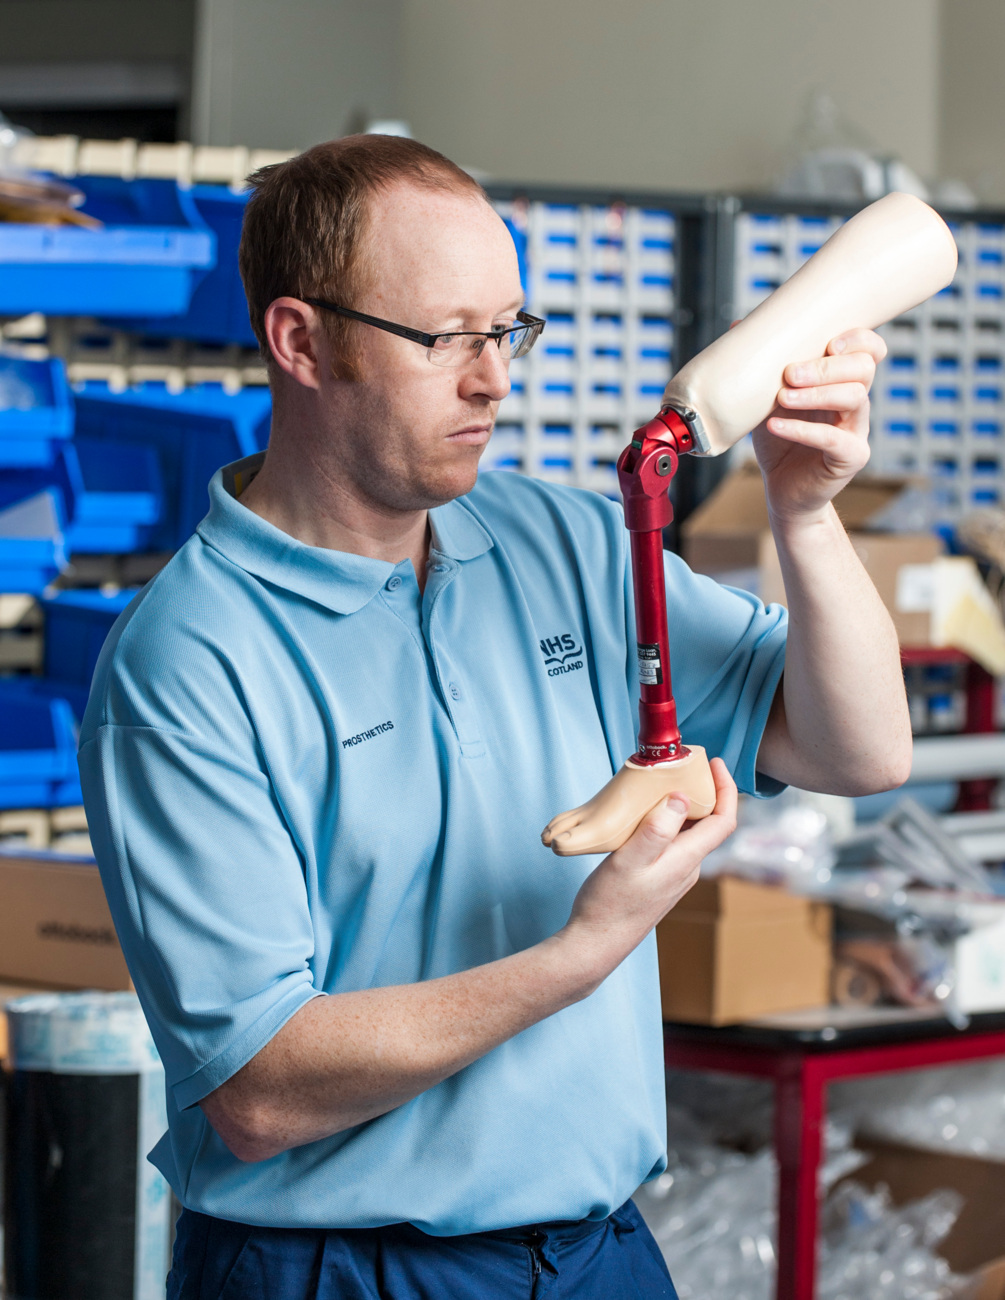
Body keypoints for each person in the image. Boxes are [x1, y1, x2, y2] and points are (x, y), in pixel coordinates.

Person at [79, 134, 912, 1300]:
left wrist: (806, 516)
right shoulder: (190, 661)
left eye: (507, 329)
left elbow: (857, 747)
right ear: (299, 341)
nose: (494, 378)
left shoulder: (563, 541)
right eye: (446, 337)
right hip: (333, 1269)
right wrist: (581, 953)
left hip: (596, 1252)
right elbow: (260, 1090)